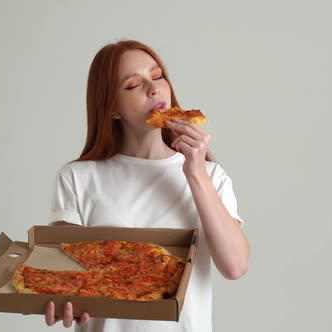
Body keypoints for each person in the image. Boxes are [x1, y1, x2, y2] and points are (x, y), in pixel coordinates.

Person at [44, 39, 250, 331]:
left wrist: (195, 172)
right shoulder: (77, 177)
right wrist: (59, 299)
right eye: (132, 85)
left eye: (157, 76)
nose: (153, 89)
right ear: (112, 107)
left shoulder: (210, 176)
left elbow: (235, 266)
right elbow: (65, 276)